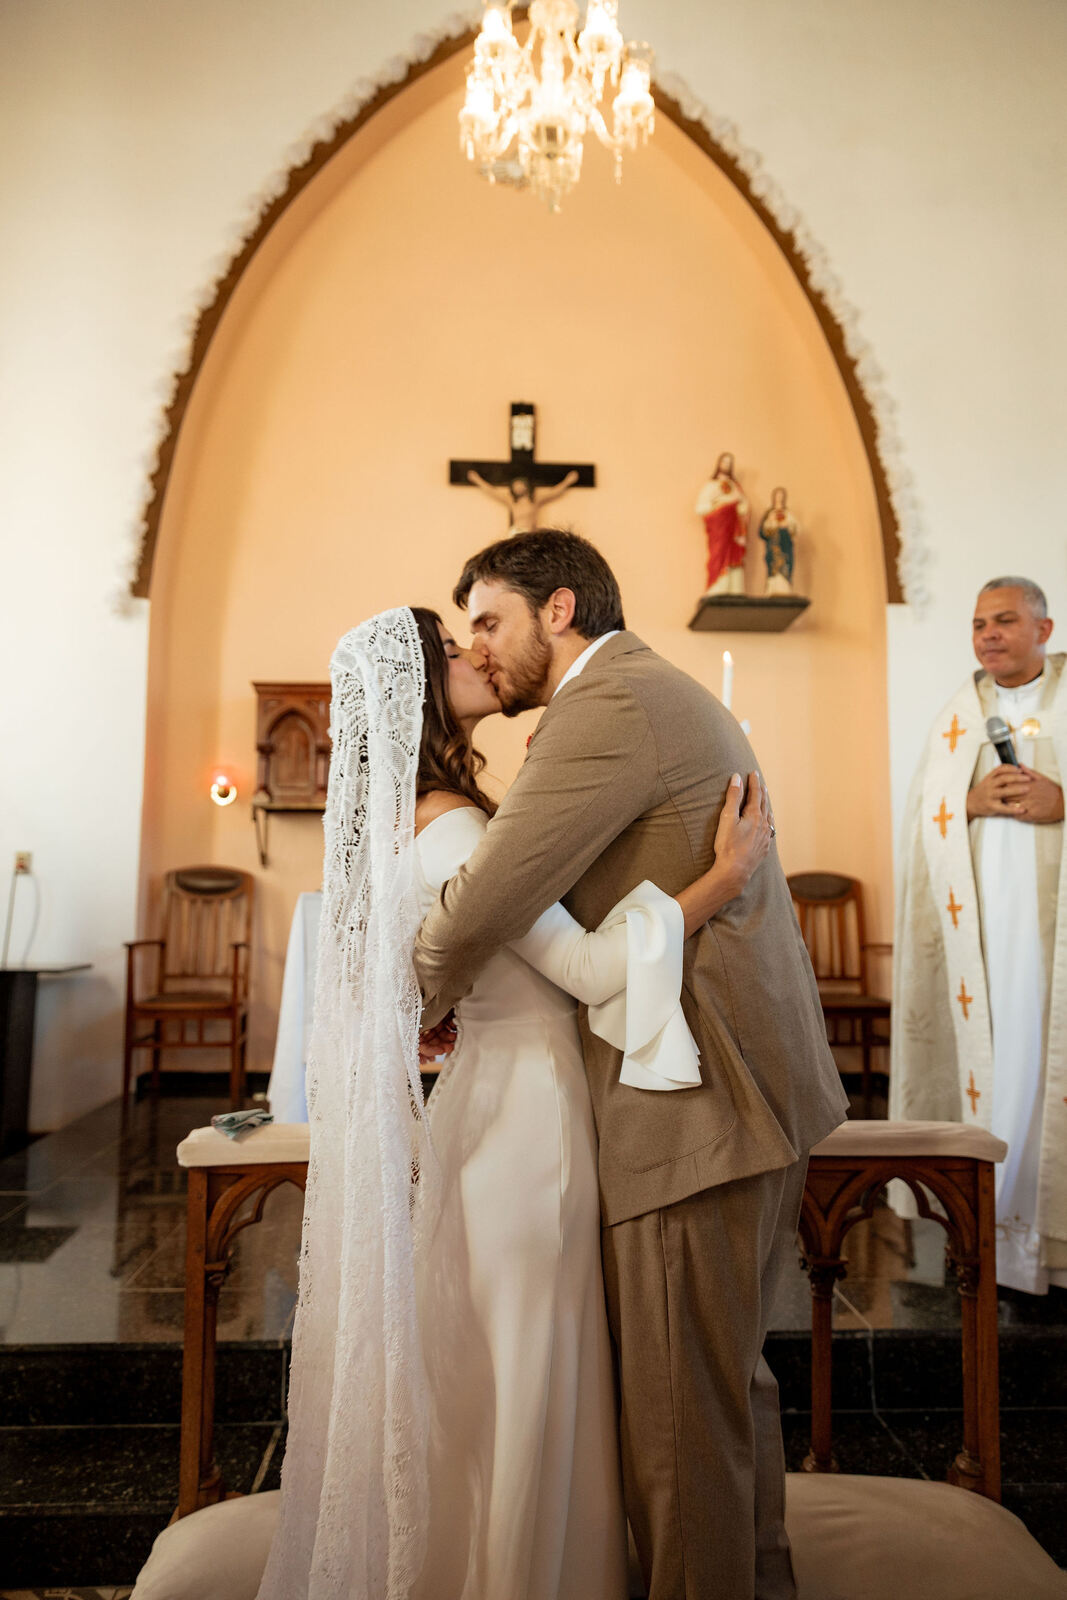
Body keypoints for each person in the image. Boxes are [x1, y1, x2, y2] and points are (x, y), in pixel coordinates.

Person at [256, 604, 774, 1600]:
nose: (474, 652)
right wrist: (723, 875)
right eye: (451, 647)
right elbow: (580, 965)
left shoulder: (422, 812)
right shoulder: (449, 824)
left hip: (490, 1106)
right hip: (530, 1119)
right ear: (413, 688)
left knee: (499, 1374)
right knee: (531, 1370)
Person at [415, 530, 848, 1600]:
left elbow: (479, 906)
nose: (480, 647)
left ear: (557, 610)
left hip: (694, 1105)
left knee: (674, 1427)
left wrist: (408, 995)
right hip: (733, 1089)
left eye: (488, 620)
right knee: (716, 1395)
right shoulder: (638, 693)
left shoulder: (606, 707)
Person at [890, 576, 1067, 1294]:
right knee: (993, 1059)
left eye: (1002, 621)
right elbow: (918, 816)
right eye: (975, 625)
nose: (986, 635)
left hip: (1050, 944)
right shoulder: (957, 716)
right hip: (982, 939)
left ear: (1043, 629)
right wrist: (965, 799)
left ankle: (1045, 1239)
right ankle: (981, 1229)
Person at [696, 450, 749, 596]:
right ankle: (718, 585)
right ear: (719, 464)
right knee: (718, 553)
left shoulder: (735, 487)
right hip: (719, 527)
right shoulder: (711, 486)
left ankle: (734, 587)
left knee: (734, 555)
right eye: (724, 462)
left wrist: (737, 510)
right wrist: (719, 506)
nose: (726, 465)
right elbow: (700, 508)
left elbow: (744, 507)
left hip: (734, 528)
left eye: (729, 463)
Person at [467, 466, 579, 533]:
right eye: (515, 486)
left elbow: (554, 492)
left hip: (530, 531)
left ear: (526, 486)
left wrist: (568, 481)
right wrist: (477, 480)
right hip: (516, 532)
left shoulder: (534, 500)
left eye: (519, 485)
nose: (517, 488)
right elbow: (492, 491)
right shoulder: (511, 501)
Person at [758, 487, 799, 596]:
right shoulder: (770, 513)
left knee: (785, 565)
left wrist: (786, 526)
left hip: (785, 544)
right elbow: (763, 531)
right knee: (773, 566)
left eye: (781, 495)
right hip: (774, 545)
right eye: (777, 495)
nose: (779, 497)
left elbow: (795, 528)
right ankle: (773, 588)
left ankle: (785, 588)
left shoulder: (788, 513)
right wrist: (772, 523)